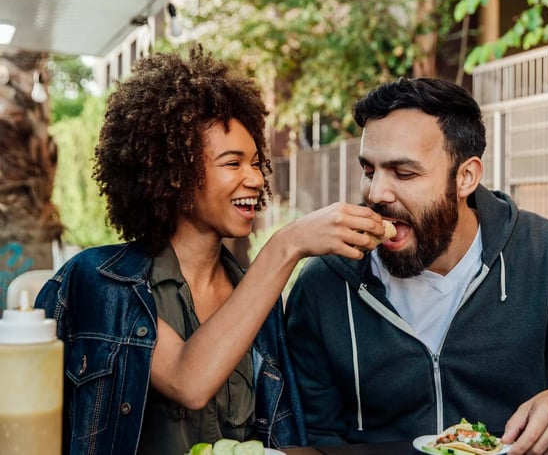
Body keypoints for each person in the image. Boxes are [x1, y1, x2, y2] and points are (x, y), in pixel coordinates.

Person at [35, 46, 389, 455]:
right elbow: (189, 381)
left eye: (256, 163)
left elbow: (283, 438)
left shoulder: (260, 304)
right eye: (232, 163)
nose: (254, 178)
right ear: (174, 174)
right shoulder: (97, 282)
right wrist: (286, 245)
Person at [284, 77, 548, 454]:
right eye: (370, 170)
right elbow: (317, 439)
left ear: (466, 177)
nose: (376, 193)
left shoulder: (542, 252)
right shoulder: (324, 283)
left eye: (404, 173)